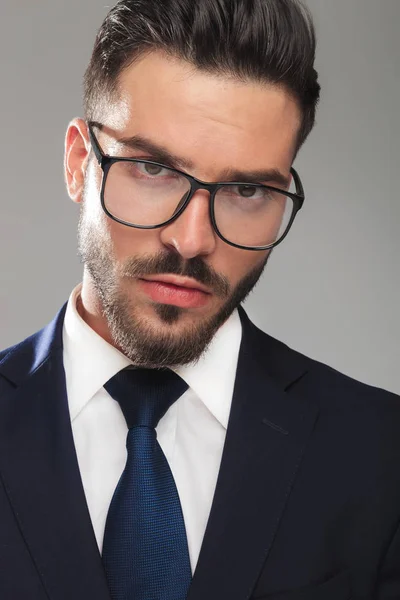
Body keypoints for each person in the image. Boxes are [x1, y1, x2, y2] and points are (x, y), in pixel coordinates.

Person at [1, 0, 399, 598]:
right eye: (154, 169)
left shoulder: (382, 454)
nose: (191, 240)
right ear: (80, 163)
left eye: (246, 189)